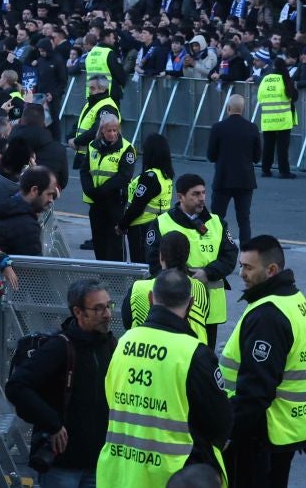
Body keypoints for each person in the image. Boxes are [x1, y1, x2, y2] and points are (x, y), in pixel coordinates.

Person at [96, 269, 232, 486]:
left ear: (151, 298)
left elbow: (110, 399)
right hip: (172, 476)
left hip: (119, 473)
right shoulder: (193, 353)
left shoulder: (123, 343)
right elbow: (219, 422)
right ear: (191, 303)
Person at [219, 235, 306, 488]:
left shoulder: (267, 316)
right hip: (286, 427)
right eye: (241, 265)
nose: (241, 273)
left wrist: (228, 432)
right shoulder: (294, 300)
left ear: (271, 270)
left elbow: (256, 390)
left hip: (260, 434)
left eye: (248, 267)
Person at [5, 278, 117, 487]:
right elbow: (16, 387)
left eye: (109, 306)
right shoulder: (59, 348)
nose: (108, 314)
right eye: (99, 309)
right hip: (62, 465)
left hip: (98, 462)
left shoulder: (109, 344)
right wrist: (53, 423)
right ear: (78, 312)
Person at [153, 174, 238, 347]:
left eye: (203, 193)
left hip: (210, 306)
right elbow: (154, 261)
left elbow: (230, 257)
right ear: (180, 197)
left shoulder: (217, 223)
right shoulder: (162, 223)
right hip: (175, 304)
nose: (201, 198)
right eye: (195, 194)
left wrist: (208, 273)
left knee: (205, 354)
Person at [126, 231, 210, 343]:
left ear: (161, 256)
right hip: (191, 353)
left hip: (144, 351)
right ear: (187, 256)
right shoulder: (199, 288)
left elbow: (127, 322)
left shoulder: (138, 288)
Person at [206, 95, 262, 245]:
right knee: (244, 219)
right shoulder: (252, 128)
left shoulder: (218, 128)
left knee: (217, 218)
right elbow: (257, 157)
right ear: (243, 109)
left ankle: (217, 247)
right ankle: (246, 256)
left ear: (228, 108)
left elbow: (211, 155)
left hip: (223, 178)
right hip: (245, 180)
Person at [83, 112, 134, 262]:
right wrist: (88, 189)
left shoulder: (127, 149)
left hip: (115, 201)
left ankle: (117, 277)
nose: (112, 134)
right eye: (109, 130)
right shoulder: (93, 146)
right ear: (102, 131)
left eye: (115, 130)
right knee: (99, 240)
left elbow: (125, 175)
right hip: (96, 201)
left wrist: (102, 191)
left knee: (115, 243)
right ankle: (102, 272)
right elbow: (84, 170)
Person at [117, 133, 175, 262]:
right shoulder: (165, 175)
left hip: (142, 227)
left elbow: (137, 206)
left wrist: (122, 225)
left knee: (140, 265)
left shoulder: (149, 177)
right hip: (159, 225)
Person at [0, 165, 59, 256]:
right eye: (49, 194)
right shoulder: (26, 226)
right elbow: (35, 266)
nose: (51, 199)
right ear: (34, 190)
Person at [257, 58, 298, 179]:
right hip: (283, 118)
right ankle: (284, 171)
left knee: (268, 145)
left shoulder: (265, 79)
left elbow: (260, 97)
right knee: (282, 147)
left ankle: (266, 170)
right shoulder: (285, 79)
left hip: (268, 118)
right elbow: (293, 96)